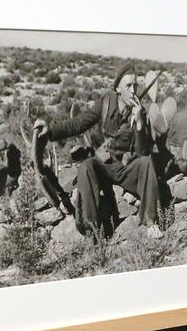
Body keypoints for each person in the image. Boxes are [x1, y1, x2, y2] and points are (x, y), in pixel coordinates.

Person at [38, 66, 170, 239]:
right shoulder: (106, 104)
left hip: (126, 168)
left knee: (147, 162)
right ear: (117, 89)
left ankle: (150, 222)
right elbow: (78, 123)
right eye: (128, 86)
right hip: (104, 166)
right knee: (86, 165)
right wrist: (50, 131)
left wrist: (138, 124)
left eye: (135, 86)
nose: (133, 91)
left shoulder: (140, 112)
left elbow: (141, 153)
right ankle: (90, 229)